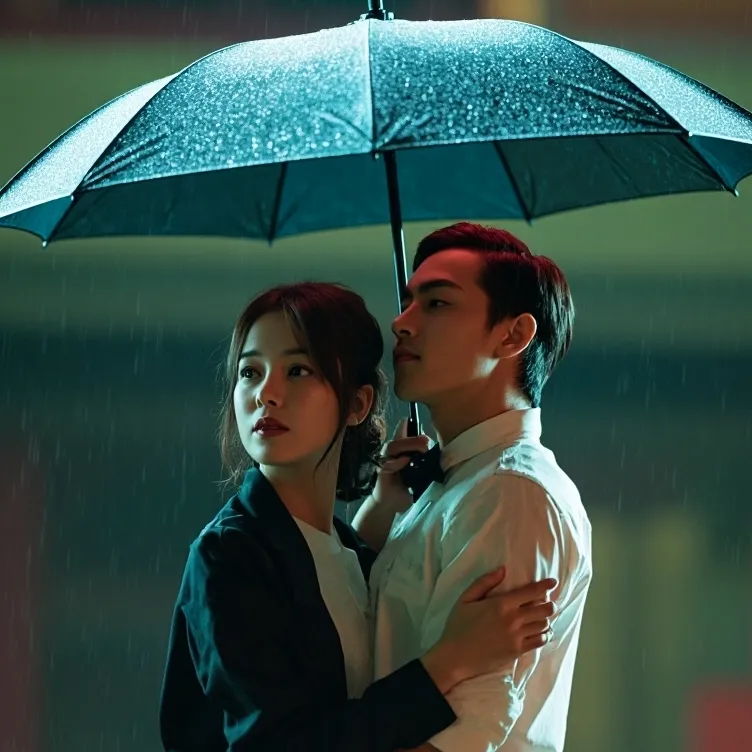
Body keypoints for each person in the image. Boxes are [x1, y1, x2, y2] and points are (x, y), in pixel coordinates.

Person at [158, 281, 558, 752]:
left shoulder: (350, 549)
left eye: (298, 370)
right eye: (250, 372)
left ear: (357, 404)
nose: (266, 393)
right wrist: (450, 659)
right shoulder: (229, 555)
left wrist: (383, 507)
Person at [353, 223, 593, 752]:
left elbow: (460, 737)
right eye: (408, 302)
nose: (400, 323)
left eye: (437, 304)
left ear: (512, 335)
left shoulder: (510, 494)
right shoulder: (451, 485)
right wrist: (380, 510)